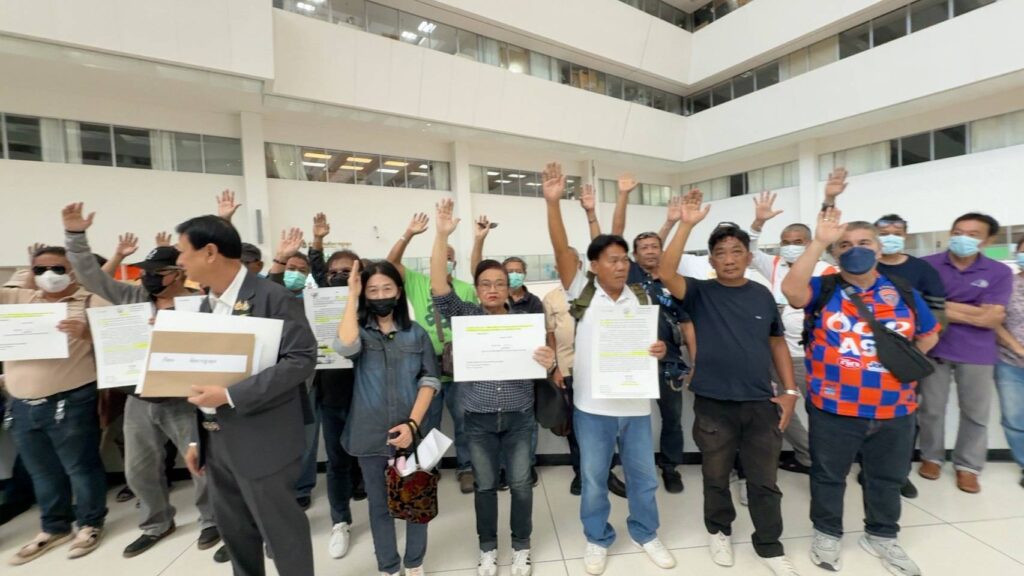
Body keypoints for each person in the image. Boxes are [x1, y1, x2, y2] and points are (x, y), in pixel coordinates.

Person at [782, 210, 940, 576]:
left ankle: (882, 535)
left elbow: (929, 334)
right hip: (834, 406)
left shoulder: (903, 291)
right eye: (845, 245)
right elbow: (791, 292)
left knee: (887, 476)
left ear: (878, 249)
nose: (855, 250)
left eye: (864, 243)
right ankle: (827, 534)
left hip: (894, 407)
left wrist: (901, 366)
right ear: (835, 253)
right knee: (828, 475)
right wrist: (819, 241)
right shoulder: (823, 288)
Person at [61, 204, 220, 558]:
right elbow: (91, 277)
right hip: (139, 398)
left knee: (201, 466)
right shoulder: (133, 298)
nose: (149, 278)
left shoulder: (200, 304)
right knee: (138, 470)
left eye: (158, 272)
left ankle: (211, 520)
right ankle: (156, 523)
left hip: (184, 398)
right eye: (146, 272)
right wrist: (75, 237)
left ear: (178, 273)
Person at [658, 190, 800, 576]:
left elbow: (776, 342)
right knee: (716, 476)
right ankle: (719, 530)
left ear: (748, 256)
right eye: (720, 253)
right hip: (713, 402)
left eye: (737, 251)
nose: (729, 259)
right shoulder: (700, 293)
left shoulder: (762, 295)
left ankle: (769, 545)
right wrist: (686, 224)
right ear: (712, 260)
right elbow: (666, 272)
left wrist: (790, 391)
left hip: (760, 402)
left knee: (764, 480)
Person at [544, 162, 676, 575]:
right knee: (594, 477)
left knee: (643, 477)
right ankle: (597, 537)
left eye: (624, 260)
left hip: (635, 407)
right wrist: (552, 203)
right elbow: (560, 249)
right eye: (612, 260)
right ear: (595, 265)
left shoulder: (640, 297)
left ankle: (645, 532)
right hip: (593, 407)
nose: (620, 266)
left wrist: (659, 349)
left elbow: (652, 344)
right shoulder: (581, 294)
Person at [175, 214, 316, 576]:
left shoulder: (273, 297)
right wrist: (196, 438)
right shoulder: (206, 305)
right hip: (216, 441)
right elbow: (201, 373)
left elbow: (301, 359)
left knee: (282, 533)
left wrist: (231, 394)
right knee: (235, 533)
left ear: (210, 252)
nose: (179, 261)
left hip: (263, 439)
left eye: (183, 251)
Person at [430, 199, 555, 576]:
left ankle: (521, 547)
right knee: (484, 487)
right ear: (477, 288)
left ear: (508, 288)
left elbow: (542, 361)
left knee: (520, 485)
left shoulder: (525, 319)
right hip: (478, 419)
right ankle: (487, 548)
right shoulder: (466, 316)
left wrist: (548, 361)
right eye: (485, 283)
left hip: (519, 417)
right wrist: (441, 235)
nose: (493, 288)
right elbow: (439, 286)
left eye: (500, 283)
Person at [3, 246, 109, 564]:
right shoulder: (19, 299)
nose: (49, 276)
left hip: (70, 401)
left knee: (81, 467)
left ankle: (90, 523)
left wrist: (88, 334)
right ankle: (54, 527)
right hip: (21, 405)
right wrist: (24, 276)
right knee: (42, 471)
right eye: (40, 270)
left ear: (73, 270)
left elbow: (123, 343)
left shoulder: (91, 302)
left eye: (58, 269)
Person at [333, 259, 438, 576]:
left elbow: (430, 380)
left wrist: (412, 425)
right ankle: (389, 567)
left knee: (417, 500)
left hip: (413, 434)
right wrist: (351, 296)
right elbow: (344, 346)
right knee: (379, 506)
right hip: (370, 434)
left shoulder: (416, 334)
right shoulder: (361, 333)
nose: (380, 296)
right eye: (373, 290)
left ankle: (415, 563)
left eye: (387, 288)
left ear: (399, 291)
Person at [747, 175, 846, 475]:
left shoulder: (827, 271)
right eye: (786, 243)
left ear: (810, 242)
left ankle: (830, 463)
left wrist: (830, 199)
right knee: (779, 408)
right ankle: (807, 456)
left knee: (822, 413)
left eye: (797, 243)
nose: (790, 247)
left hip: (812, 357)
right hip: (777, 355)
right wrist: (758, 222)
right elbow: (750, 249)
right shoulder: (775, 265)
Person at [919, 213, 1012, 493]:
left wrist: (941, 306)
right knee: (931, 409)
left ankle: (968, 466)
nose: (963, 238)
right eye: (958, 232)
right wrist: (974, 310)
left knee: (975, 413)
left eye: (973, 235)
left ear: (988, 240)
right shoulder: (928, 265)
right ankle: (931, 457)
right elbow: (919, 306)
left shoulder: (998, 272)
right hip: (933, 347)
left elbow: (991, 319)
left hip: (977, 352)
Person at [387, 212, 479, 494]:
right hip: (427, 366)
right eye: (442, 256)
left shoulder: (465, 289)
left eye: (450, 257)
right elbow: (390, 264)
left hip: (460, 366)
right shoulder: (416, 282)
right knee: (428, 420)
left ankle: (466, 468)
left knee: (464, 420)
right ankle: (428, 467)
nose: (446, 260)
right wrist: (408, 233)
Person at [869, 213, 948, 498]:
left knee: (903, 417)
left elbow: (938, 314)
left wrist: (914, 352)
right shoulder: (865, 267)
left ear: (905, 235)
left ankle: (898, 473)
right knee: (868, 416)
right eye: (884, 233)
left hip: (908, 356)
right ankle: (869, 469)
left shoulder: (922, 269)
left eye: (896, 232)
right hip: (865, 355)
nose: (890, 237)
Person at [302, 212, 365, 557]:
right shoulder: (322, 301)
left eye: (347, 271)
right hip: (333, 397)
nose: (340, 275)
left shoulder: (371, 303)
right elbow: (316, 267)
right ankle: (340, 521)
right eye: (334, 271)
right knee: (337, 461)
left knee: (373, 460)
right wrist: (317, 240)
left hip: (368, 396)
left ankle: (382, 512)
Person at [995, 238, 1024, 490]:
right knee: (1014, 418)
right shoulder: (1008, 284)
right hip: (1010, 362)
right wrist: (1017, 348)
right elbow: (994, 321)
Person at [268, 227, 310, 296]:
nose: (296, 274)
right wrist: (282, 257)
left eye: (302, 271)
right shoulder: (270, 294)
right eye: (291, 269)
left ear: (307, 274)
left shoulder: (310, 297)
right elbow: (274, 281)